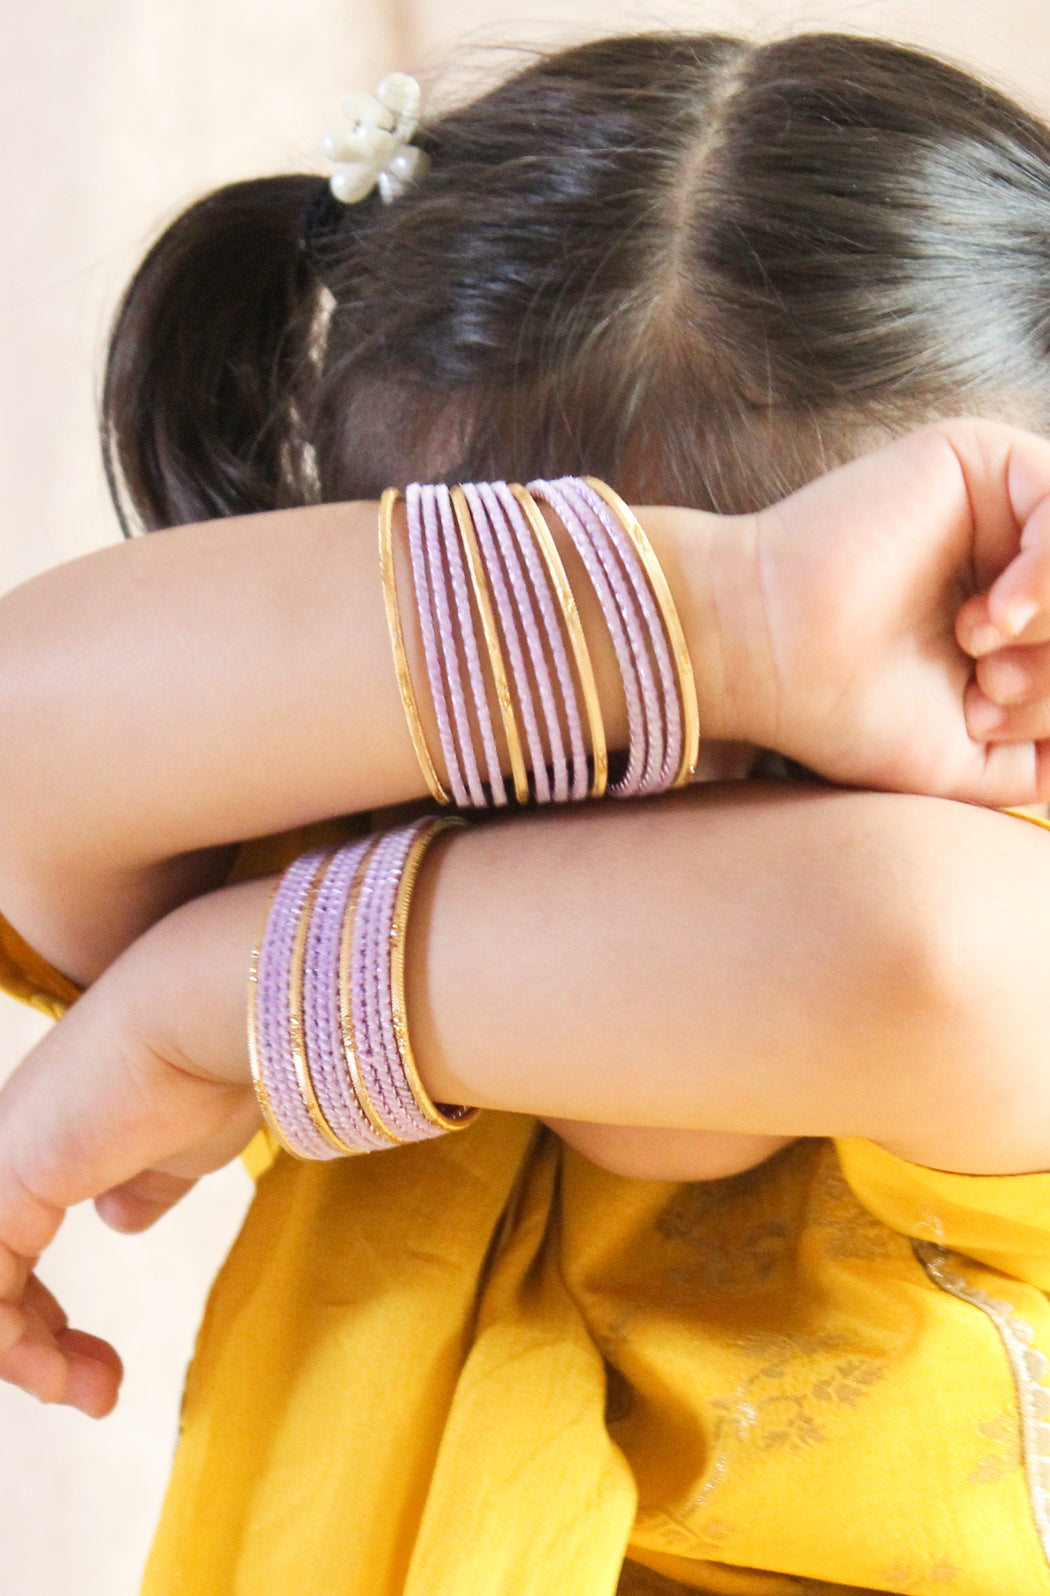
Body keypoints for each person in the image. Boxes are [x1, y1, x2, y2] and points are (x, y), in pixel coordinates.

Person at [3, 27, 1050, 1596]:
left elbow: (914, 951)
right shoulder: (325, 901)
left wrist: (210, 1005)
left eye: (786, 775)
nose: (627, 861)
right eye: (541, 751)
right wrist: (738, 624)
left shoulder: (1006, 975)